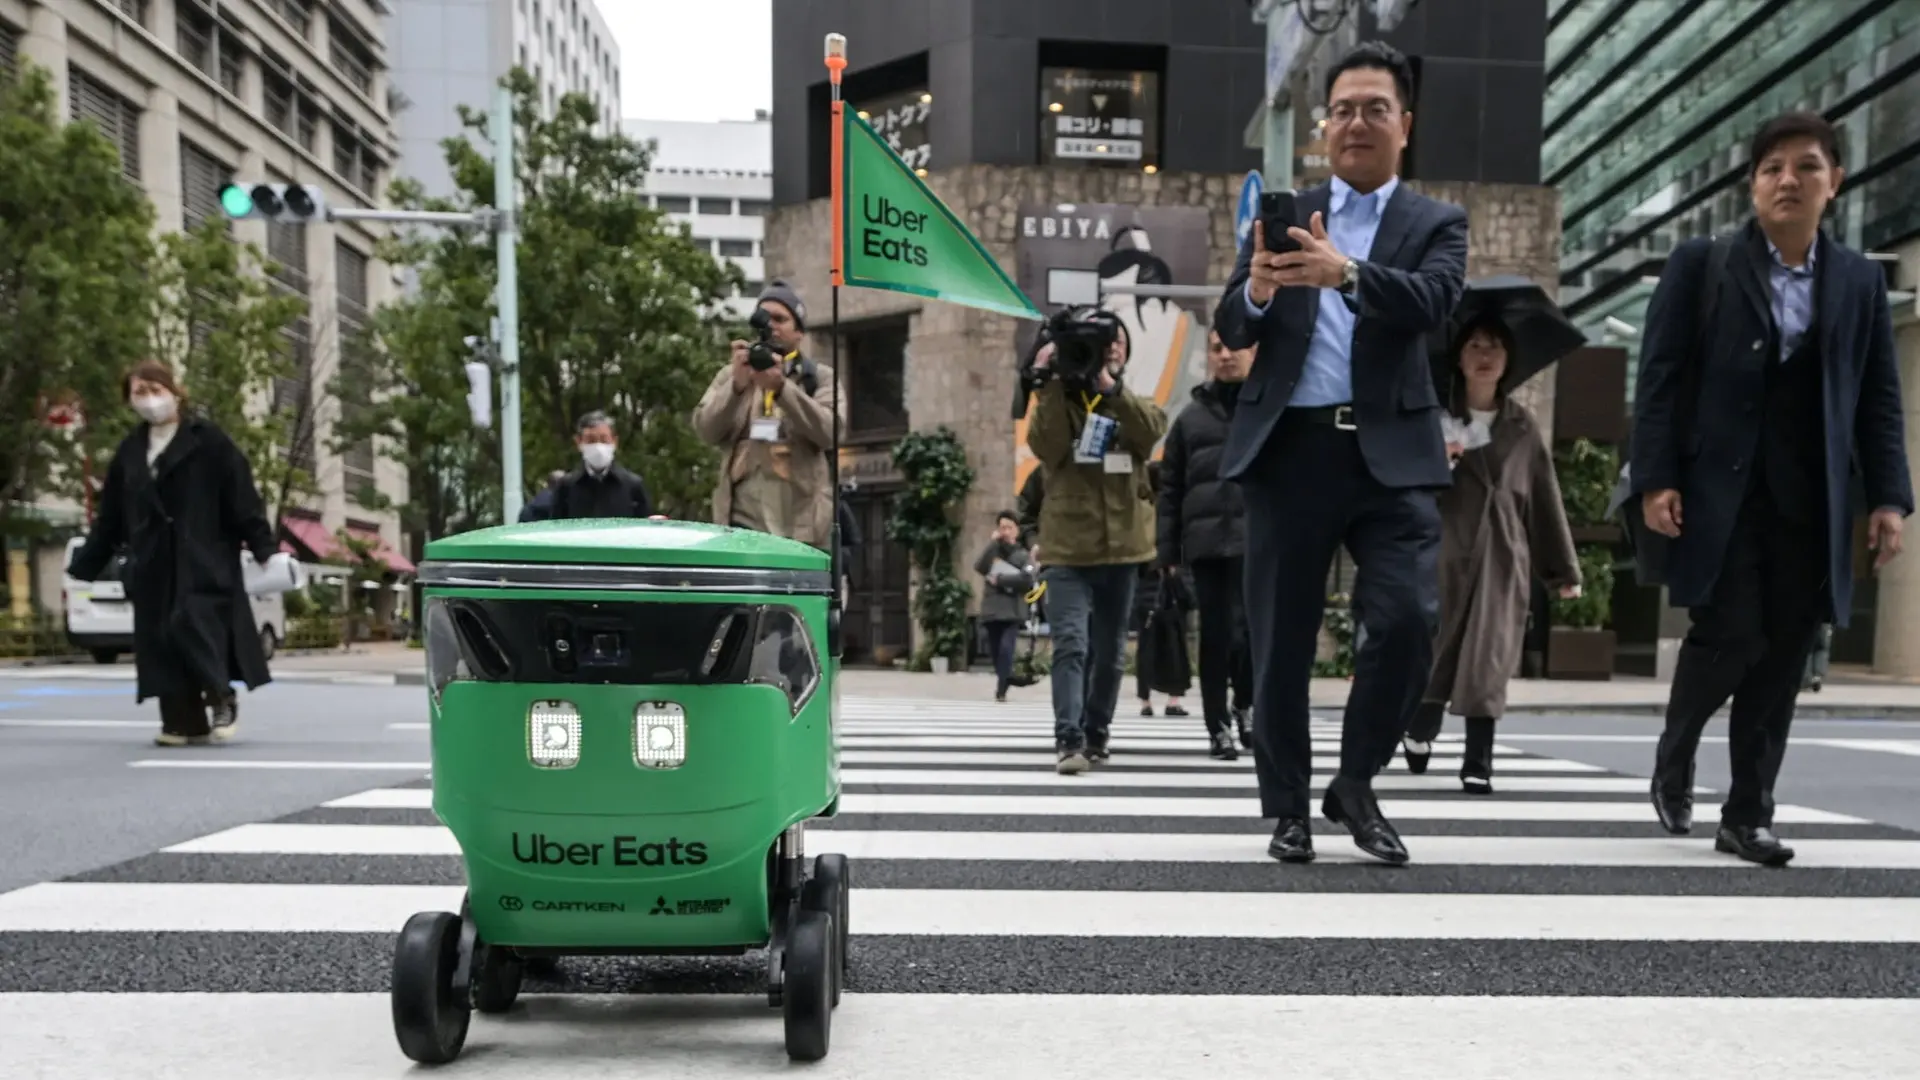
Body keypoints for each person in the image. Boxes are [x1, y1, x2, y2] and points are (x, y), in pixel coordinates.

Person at [1212, 40, 1468, 865]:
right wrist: (1259, 285)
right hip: (1290, 449)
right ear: (1326, 125)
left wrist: (1345, 274)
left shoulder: (1436, 222)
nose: (1357, 123)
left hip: (1392, 455)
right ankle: (1287, 807)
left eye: (1375, 109)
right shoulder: (1288, 210)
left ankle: (1356, 782)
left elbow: (1436, 302)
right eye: (1344, 110)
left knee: (1407, 619)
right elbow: (1232, 322)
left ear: (1405, 126)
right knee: (1281, 641)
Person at [1632, 110, 1911, 866]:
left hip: (1812, 501)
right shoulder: (1704, 264)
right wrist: (1656, 477)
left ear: (1835, 182)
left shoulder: (1857, 280)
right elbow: (1659, 378)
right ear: (1753, 186)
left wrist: (1889, 498)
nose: (1789, 180)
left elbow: (1878, 397)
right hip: (1721, 495)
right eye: (1772, 168)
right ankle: (1677, 747)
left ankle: (1747, 815)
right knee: (1731, 634)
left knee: (1785, 654)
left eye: (1807, 166)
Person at [1399, 316, 1582, 793]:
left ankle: (1478, 760)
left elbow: (1543, 499)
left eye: (1495, 347)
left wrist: (1561, 570)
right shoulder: (1436, 418)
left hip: (1503, 559)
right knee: (1435, 652)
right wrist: (1437, 464)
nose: (1485, 355)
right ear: (1459, 358)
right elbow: (1403, 487)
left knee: (1490, 659)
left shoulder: (1522, 427)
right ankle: (1419, 728)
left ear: (1508, 360)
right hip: (1444, 551)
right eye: (1475, 346)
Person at [66, 361, 279, 747]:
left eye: (155, 390)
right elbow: (112, 515)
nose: (149, 400)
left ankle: (220, 695)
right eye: (139, 392)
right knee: (162, 639)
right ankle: (182, 721)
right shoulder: (131, 451)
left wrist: (265, 548)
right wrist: (86, 564)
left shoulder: (209, 441)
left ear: (175, 392)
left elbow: (242, 498)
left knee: (193, 622)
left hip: (204, 557)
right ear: (129, 401)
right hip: (153, 563)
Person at [1024, 309, 1169, 774]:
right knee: (1071, 643)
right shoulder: (1057, 399)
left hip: (1123, 547)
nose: (1110, 350)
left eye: (1116, 343)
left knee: (1109, 653)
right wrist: (1050, 382)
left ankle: (1097, 732)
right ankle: (1069, 738)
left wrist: (1111, 389)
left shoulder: (1129, 401)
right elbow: (1046, 447)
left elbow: (1152, 431)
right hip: (1067, 547)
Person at [1158, 330, 1257, 759]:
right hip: (1208, 546)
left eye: (1235, 346)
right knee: (1216, 638)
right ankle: (1217, 726)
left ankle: (1246, 705)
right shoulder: (1190, 419)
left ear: (1254, 352)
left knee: (1252, 636)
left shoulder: (1269, 410)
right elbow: (1170, 490)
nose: (1226, 355)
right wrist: (1168, 553)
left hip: (1257, 542)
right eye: (1217, 348)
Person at [692, 280, 840, 551]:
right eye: (765, 317)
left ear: (799, 331)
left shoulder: (819, 378)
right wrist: (736, 387)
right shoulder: (733, 373)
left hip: (801, 530)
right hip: (740, 528)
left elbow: (832, 433)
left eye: (780, 319)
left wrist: (783, 389)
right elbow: (705, 430)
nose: (771, 326)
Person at [974, 510, 1037, 703]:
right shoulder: (993, 550)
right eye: (1002, 527)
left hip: (1012, 609)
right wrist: (992, 543)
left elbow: (1027, 579)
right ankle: (1007, 677)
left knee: (1006, 647)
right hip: (992, 608)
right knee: (995, 651)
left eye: (1009, 527)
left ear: (1016, 530)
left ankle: (1001, 689)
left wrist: (1000, 580)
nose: (1006, 531)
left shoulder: (1023, 555)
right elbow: (980, 566)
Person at [549, 413, 654, 520]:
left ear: (614, 441)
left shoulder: (632, 485)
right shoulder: (566, 486)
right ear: (578, 442)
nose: (598, 446)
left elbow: (645, 525)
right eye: (591, 440)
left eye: (604, 440)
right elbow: (556, 526)